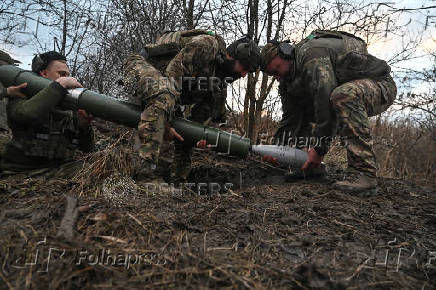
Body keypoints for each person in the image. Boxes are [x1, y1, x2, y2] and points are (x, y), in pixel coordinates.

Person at [260, 30, 397, 195]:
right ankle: (309, 165)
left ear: (286, 54)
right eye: (272, 75)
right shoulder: (287, 83)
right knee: (307, 108)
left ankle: (364, 172)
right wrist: (277, 149)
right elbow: (290, 119)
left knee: (342, 95)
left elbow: (325, 99)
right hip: (344, 93)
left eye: (276, 70)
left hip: (379, 85)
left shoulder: (311, 55)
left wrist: (319, 149)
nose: (277, 77)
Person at [124, 29, 262, 183]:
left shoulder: (218, 85)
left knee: (184, 129)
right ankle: (145, 174)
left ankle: (178, 179)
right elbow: (172, 77)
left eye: (247, 72)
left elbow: (197, 123)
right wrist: (167, 123)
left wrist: (200, 137)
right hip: (138, 69)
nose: (243, 75)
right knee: (166, 96)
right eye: (243, 68)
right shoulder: (207, 46)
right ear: (232, 55)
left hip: (163, 91)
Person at [0, 51, 94, 176]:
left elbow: (87, 149)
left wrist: (83, 125)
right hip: (18, 171)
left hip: (55, 171)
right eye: (61, 74)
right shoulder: (22, 95)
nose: (66, 78)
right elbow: (25, 114)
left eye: (67, 75)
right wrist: (58, 86)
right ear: (44, 73)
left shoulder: (68, 106)